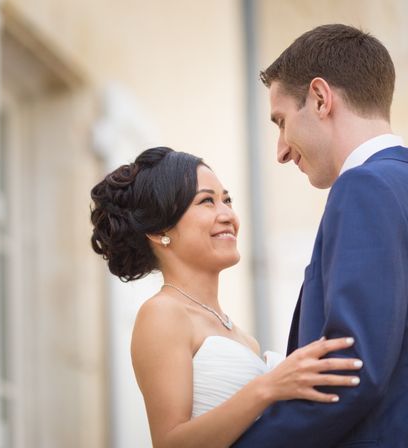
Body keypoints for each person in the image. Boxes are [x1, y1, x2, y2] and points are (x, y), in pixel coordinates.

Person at [90, 146, 362, 448]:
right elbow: (170, 442)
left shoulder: (242, 337)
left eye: (227, 200)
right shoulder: (163, 313)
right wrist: (269, 386)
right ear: (158, 230)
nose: (228, 215)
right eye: (207, 201)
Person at [232, 25, 408, 447]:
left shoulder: (363, 187)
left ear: (320, 98)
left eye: (281, 121)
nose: (280, 150)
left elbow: (349, 372)